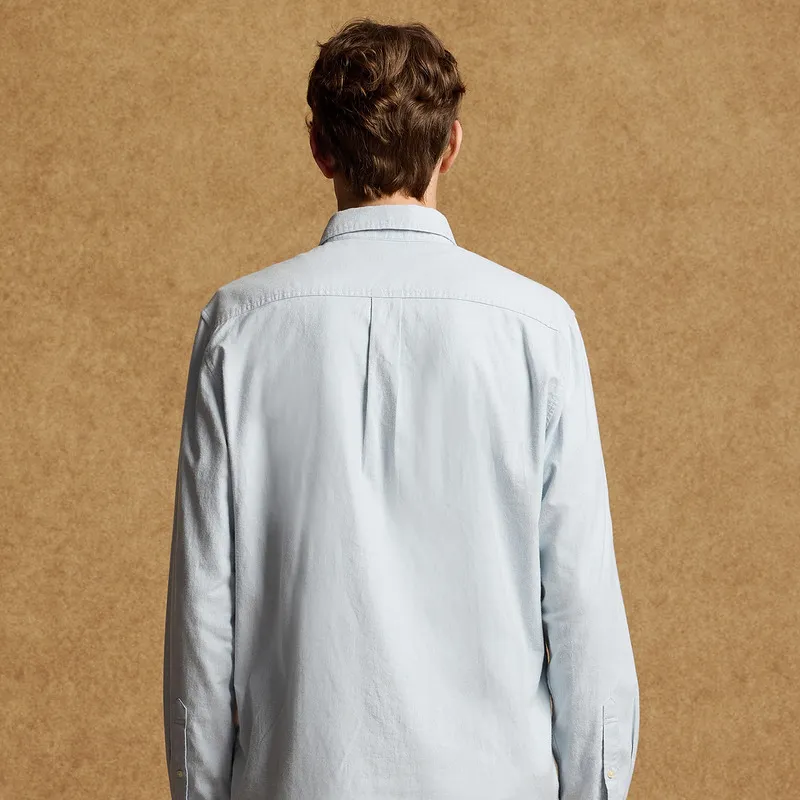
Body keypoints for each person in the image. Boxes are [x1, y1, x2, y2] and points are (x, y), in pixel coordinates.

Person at [163, 17, 639, 800]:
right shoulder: (538, 329)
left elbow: (203, 620)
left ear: (319, 148)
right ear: (451, 144)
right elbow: (582, 610)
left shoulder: (238, 329)